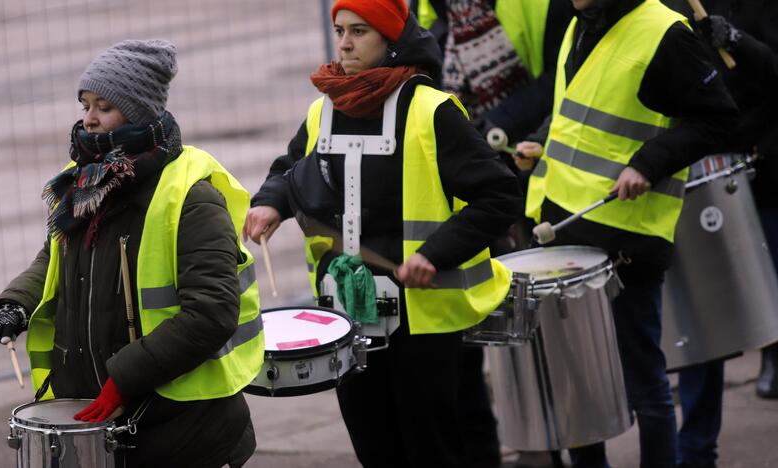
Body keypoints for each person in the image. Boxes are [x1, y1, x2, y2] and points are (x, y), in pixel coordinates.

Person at [244, 0, 523, 466]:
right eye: (340, 30)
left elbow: (500, 195)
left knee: (431, 449)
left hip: (423, 321)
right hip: (347, 310)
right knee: (374, 449)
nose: (346, 43)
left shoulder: (432, 110)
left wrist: (435, 253)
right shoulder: (324, 109)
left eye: (360, 31)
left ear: (391, 39)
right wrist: (270, 202)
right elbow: (292, 168)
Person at [0, 39, 263, 468]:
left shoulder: (191, 196)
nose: (89, 120)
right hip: (103, 422)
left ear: (138, 112)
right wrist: (16, 302)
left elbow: (212, 311)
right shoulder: (82, 182)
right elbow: (55, 257)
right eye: (85, 105)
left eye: (104, 107)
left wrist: (125, 378)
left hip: (181, 429)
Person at [511, 0, 738, 467]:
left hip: (627, 236)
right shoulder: (579, 21)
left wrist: (648, 165)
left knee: (644, 384)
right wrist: (541, 136)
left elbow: (718, 119)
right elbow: (578, 111)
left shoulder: (664, 31)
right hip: (561, 224)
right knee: (573, 384)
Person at [413, 1, 574, 466]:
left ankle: (546, 445)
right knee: (466, 342)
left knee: (531, 331)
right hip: (459, 188)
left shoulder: (540, 5)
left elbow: (560, 79)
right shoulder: (429, 9)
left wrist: (491, 127)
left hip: (523, 175)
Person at [657, 1, 778, 467]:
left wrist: (734, 41)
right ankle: (696, 449)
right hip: (700, 172)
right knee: (703, 322)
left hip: (763, 166)